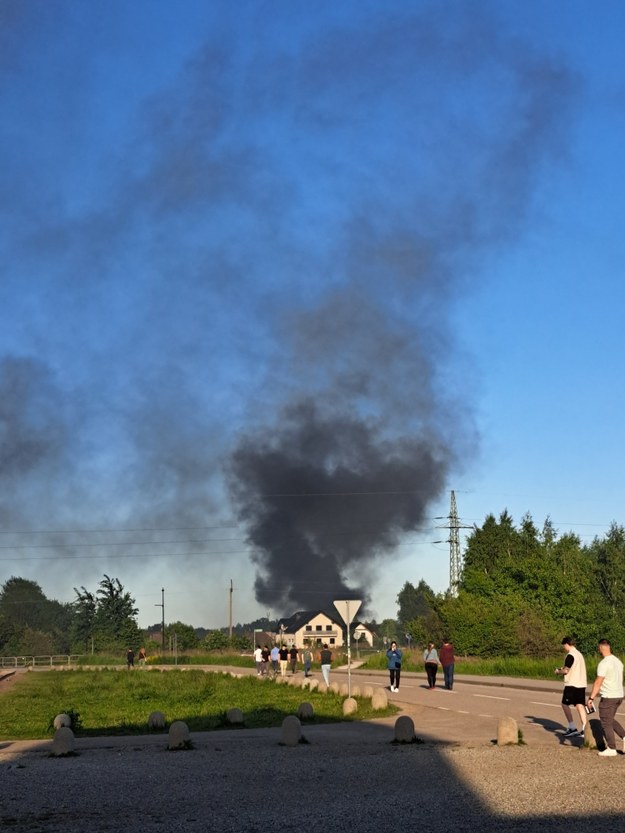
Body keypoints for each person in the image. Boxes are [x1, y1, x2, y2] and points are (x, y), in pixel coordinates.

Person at [587, 638, 625, 757]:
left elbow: (598, 682)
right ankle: (624, 737)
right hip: (619, 695)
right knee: (610, 719)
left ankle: (611, 748)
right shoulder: (618, 662)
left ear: (600, 648)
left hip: (609, 696)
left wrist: (591, 698)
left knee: (605, 722)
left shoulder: (604, 663)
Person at [554, 636, 587, 737]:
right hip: (581, 684)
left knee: (564, 704)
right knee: (579, 705)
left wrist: (558, 671)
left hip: (572, 684)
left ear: (567, 644)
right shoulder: (579, 654)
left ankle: (572, 727)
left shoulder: (570, 655)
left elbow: (566, 670)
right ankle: (586, 729)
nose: (564, 648)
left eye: (564, 646)